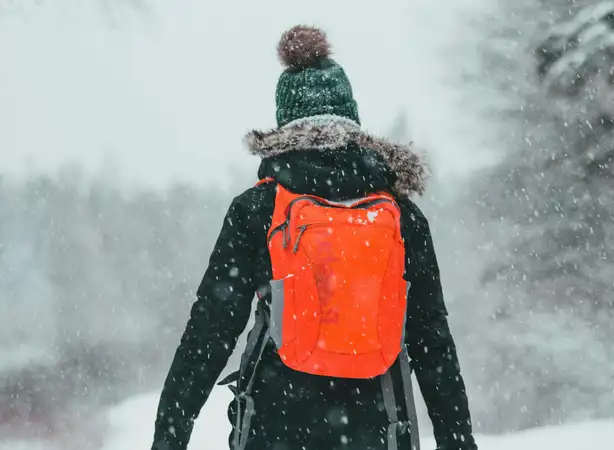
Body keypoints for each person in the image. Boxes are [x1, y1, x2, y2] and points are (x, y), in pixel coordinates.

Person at [150, 25, 477, 450]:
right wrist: (458, 439)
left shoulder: (259, 209)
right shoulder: (401, 216)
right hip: (379, 425)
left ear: (285, 123)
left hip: (275, 421)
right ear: (353, 120)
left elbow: (209, 331)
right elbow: (432, 341)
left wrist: (169, 436)